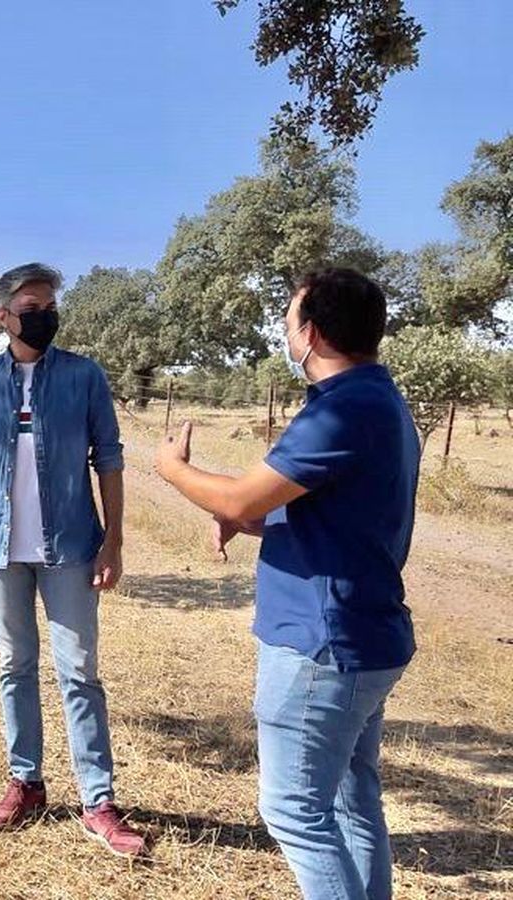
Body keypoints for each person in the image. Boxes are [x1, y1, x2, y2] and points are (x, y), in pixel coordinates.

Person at [156, 268, 418, 900]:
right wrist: (241, 519)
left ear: (314, 332)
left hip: (319, 646)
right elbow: (312, 511)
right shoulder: (376, 401)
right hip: (363, 638)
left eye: (289, 319)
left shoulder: (346, 410)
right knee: (354, 801)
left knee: (294, 811)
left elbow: (248, 494)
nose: (284, 331)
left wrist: (172, 470)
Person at [0, 262, 145, 857]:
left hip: (72, 550)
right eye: (31, 307)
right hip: (0, 551)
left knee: (79, 672)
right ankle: (26, 782)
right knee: (15, 667)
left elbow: (108, 459)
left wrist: (113, 541)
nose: (43, 317)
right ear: (3, 316)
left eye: (50, 306)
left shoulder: (84, 377)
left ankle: (98, 801)